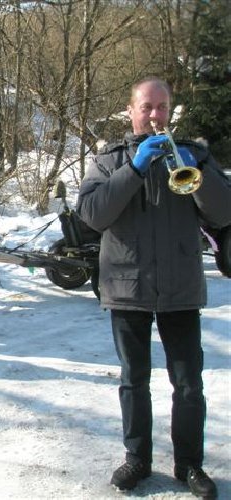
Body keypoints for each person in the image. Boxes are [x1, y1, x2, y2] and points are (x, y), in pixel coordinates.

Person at [77, 76, 231, 498]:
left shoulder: (194, 154)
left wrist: (200, 170)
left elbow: (223, 213)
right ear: (131, 110)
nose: (154, 115)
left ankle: (190, 464)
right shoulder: (109, 159)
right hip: (127, 287)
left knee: (189, 383)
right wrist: (135, 168)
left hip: (180, 287)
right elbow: (92, 214)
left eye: (162, 107)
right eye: (146, 107)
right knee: (134, 380)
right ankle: (137, 459)